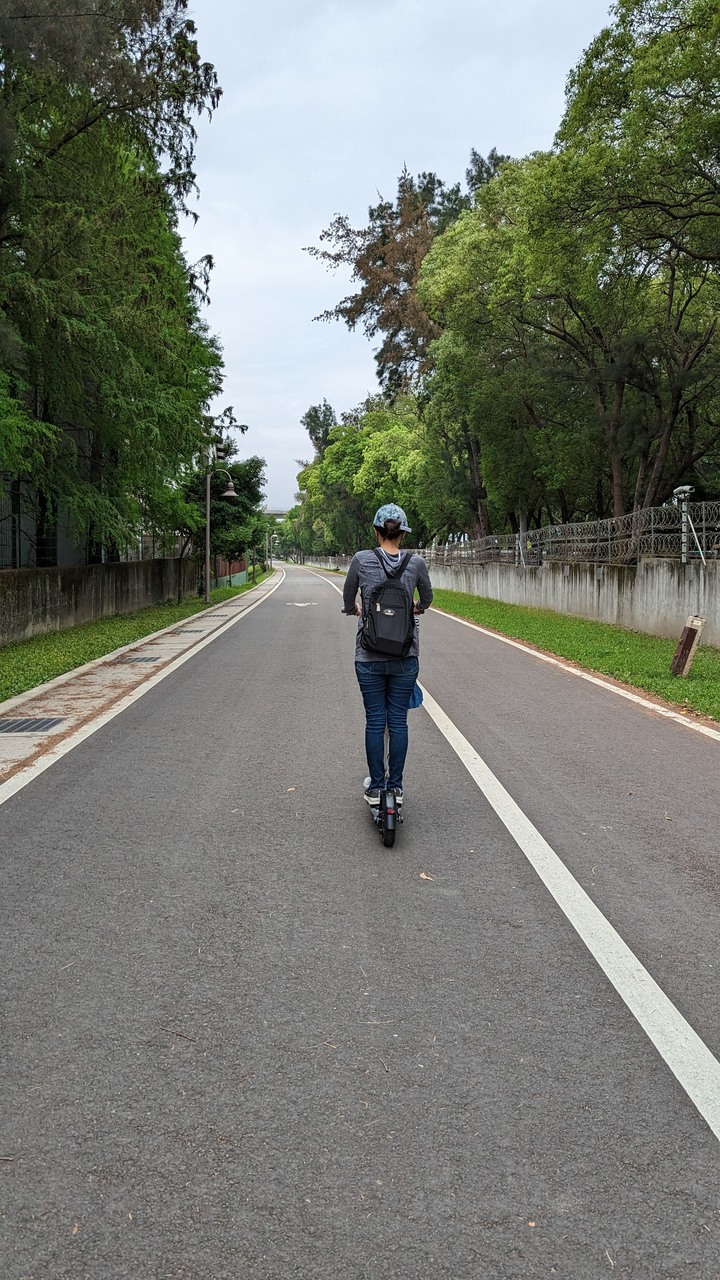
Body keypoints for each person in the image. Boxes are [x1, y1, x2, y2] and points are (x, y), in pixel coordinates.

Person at [342, 504, 433, 807]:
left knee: (374, 720)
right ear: (403, 533)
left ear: (376, 531)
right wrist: (413, 608)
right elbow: (428, 599)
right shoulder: (416, 563)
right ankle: (397, 787)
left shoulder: (361, 560)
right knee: (398, 722)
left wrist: (354, 609)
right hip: (405, 657)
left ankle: (376, 787)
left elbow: (348, 597)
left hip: (368, 656)